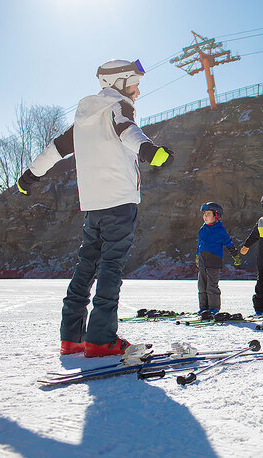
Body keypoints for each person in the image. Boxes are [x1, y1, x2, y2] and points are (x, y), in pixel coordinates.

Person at [16, 59, 175, 357]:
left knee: (86, 265)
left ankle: (72, 337)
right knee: (111, 267)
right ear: (119, 82)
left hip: (93, 205)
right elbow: (126, 130)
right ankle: (101, 339)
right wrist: (151, 152)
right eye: (134, 83)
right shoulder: (119, 106)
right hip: (120, 201)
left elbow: (54, 150)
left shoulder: (83, 119)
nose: (138, 90)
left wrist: (30, 175)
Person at [196, 202, 241, 314]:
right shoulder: (202, 229)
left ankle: (214, 308)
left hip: (214, 262)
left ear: (216, 216)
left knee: (212, 287)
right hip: (203, 262)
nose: (205, 216)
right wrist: (197, 256)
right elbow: (200, 245)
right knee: (202, 287)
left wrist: (235, 255)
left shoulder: (220, 230)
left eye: (208, 214)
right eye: (204, 214)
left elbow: (229, 243)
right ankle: (203, 308)